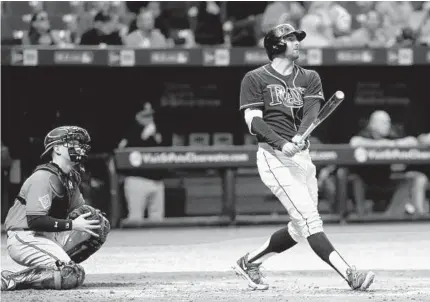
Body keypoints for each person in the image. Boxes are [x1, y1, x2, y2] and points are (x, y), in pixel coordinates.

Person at [233, 23, 375, 291]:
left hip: (302, 159)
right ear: (276, 45)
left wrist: (299, 135)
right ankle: (350, 274)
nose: (296, 42)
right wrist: (281, 143)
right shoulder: (255, 78)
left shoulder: (309, 77)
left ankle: (249, 262)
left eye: (297, 38)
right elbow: (253, 121)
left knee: (300, 228)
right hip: (273, 158)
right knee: (310, 220)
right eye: (290, 39)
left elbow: (312, 112)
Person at [1, 126, 110, 291]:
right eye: (73, 143)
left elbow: (79, 211)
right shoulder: (43, 177)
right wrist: (72, 225)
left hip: (48, 235)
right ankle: (11, 279)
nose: (79, 147)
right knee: (71, 275)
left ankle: (60, 267)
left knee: (98, 223)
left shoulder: (70, 178)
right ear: (57, 149)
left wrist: (84, 217)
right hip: (25, 237)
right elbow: (36, 221)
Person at [349, 110, 429, 216]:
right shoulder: (365, 135)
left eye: (388, 122)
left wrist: (391, 143)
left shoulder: (391, 135)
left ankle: (415, 214)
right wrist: (381, 144)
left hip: (387, 180)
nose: (388, 125)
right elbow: (354, 142)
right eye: (384, 122)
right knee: (356, 180)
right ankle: (360, 215)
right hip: (366, 182)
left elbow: (412, 141)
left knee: (418, 177)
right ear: (372, 124)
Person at [118, 102, 165, 225]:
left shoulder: (157, 131)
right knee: (135, 220)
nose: (149, 119)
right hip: (137, 180)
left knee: (157, 221)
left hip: (157, 181)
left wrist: (154, 136)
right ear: (137, 116)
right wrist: (142, 137)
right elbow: (121, 152)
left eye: (151, 115)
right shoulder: (130, 130)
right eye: (145, 115)